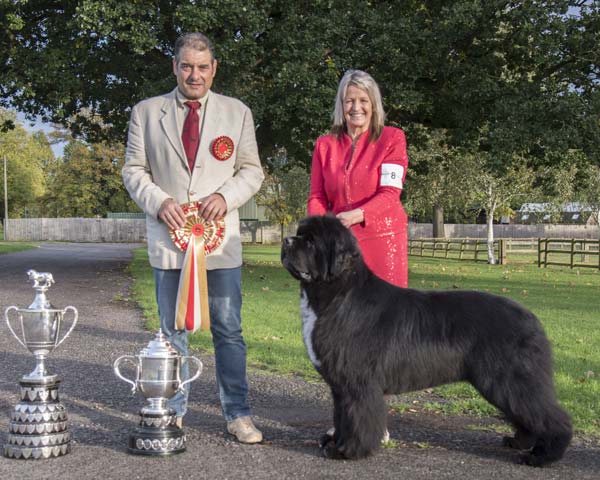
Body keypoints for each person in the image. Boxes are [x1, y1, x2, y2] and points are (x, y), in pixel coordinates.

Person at [122, 32, 264, 443]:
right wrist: (158, 201)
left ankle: (238, 414)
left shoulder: (237, 113)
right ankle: (173, 409)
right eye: (187, 66)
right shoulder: (146, 112)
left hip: (220, 246)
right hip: (170, 242)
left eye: (202, 67)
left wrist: (225, 195)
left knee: (229, 330)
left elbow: (251, 171)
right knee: (170, 332)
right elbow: (133, 170)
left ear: (214, 68)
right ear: (175, 67)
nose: (194, 74)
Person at [307, 69, 408, 288]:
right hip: (340, 245)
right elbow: (317, 196)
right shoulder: (324, 145)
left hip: (383, 241)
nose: (356, 108)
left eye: (363, 100)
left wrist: (356, 215)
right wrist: (320, 228)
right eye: (349, 101)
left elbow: (390, 194)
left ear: (373, 104)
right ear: (341, 105)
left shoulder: (393, 139)